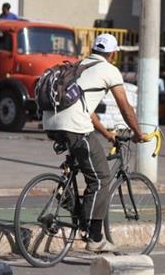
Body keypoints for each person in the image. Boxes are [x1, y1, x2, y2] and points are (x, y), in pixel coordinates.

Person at [43, 33, 146, 252]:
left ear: (94, 49)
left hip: (51, 123)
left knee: (81, 165)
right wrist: (138, 132)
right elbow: (125, 107)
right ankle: (95, 237)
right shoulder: (110, 70)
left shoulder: (80, 66)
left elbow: (87, 111)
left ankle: (68, 198)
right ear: (113, 53)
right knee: (101, 178)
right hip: (75, 127)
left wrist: (108, 134)